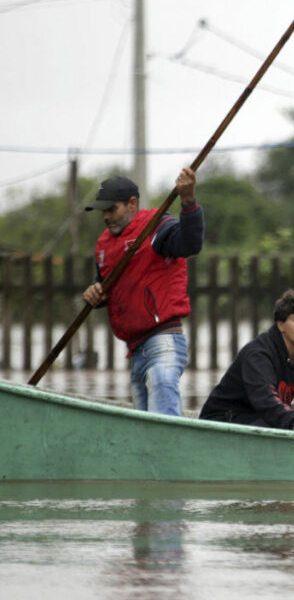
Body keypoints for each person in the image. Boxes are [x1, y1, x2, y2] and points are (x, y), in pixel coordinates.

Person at [82, 170, 204, 416]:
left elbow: (190, 244)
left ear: (132, 204)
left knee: (161, 422)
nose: (105, 216)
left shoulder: (157, 226)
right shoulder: (104, 245)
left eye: (111, 209)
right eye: (102, 211)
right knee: (144, 430)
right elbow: (105, 286)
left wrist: (188, 201)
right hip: (136, 351)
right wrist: (94, 295)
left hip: (163, 342)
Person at [199, 288, 294, 438]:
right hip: (226, 419)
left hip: (265, 417)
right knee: (282, 423)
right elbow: (265, 399)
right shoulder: (258, 354)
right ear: (280, 325)